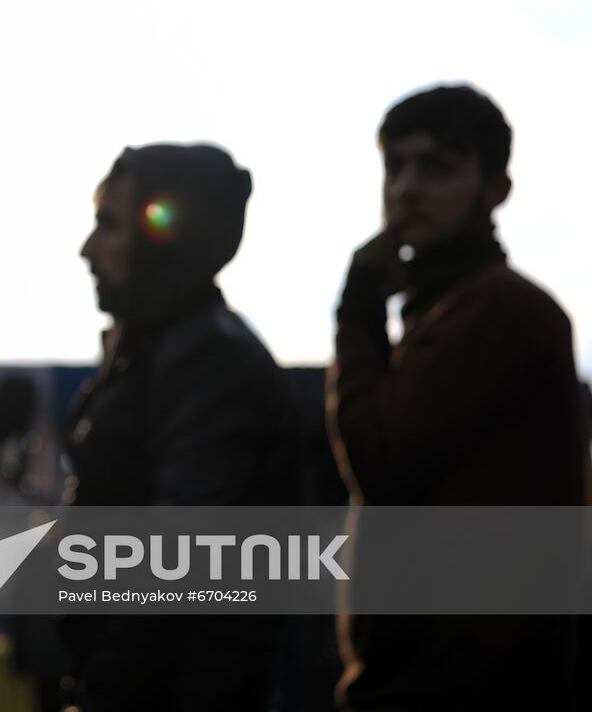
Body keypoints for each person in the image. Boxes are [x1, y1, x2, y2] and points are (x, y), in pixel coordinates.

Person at [327, 83, 587, 711]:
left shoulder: (500, 311)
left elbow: (380, 463)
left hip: (462, 688)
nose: (406, 187)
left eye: (437, 167)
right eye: (396, 165)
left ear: (495, 187)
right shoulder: (444, 311)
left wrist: (358, 311)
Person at [60, 143, 298, 711]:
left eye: (109, 225)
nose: (88, 249)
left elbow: (174, 562)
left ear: (166, 241)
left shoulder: (210, 363)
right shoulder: (153, 350)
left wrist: (104, 693)